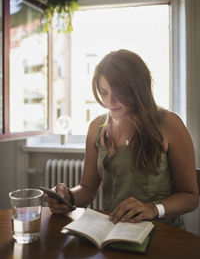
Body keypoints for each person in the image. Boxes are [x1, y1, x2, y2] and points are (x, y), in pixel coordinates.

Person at [45, 49, 199, 228]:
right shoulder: (97, 127)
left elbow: (190, 197)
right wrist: (67, 197)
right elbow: (87, 189)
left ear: (138, 88)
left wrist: (153, 208)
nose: (109, 101)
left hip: (163, 232)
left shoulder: (170, 124)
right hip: (114, 231)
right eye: (103, 92)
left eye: (119, 92)